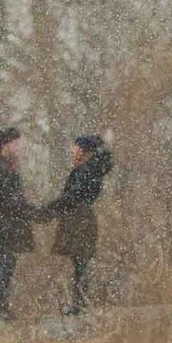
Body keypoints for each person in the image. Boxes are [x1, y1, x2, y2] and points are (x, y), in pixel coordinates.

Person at [46, 131, 114, 311]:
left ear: (83, 150)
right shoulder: (91, 168)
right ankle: (80, 302)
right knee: (80, 262)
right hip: (81, 216)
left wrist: (50, 209)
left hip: (78, 218)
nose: (72, 151)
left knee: (80, 262)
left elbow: (72, 196)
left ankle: (79, 304)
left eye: (75, 147)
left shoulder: (84, 170)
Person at [0, 124, 42, 318]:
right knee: (5, 263)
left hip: (11, 223)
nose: (18, 147)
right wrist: (27, 209)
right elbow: (6, 197)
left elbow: (15, 197)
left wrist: (29, 210)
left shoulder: (7, 165)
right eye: (15, 143)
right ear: (5, 144)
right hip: (4, 224)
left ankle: (1, 305)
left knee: (8, 264)